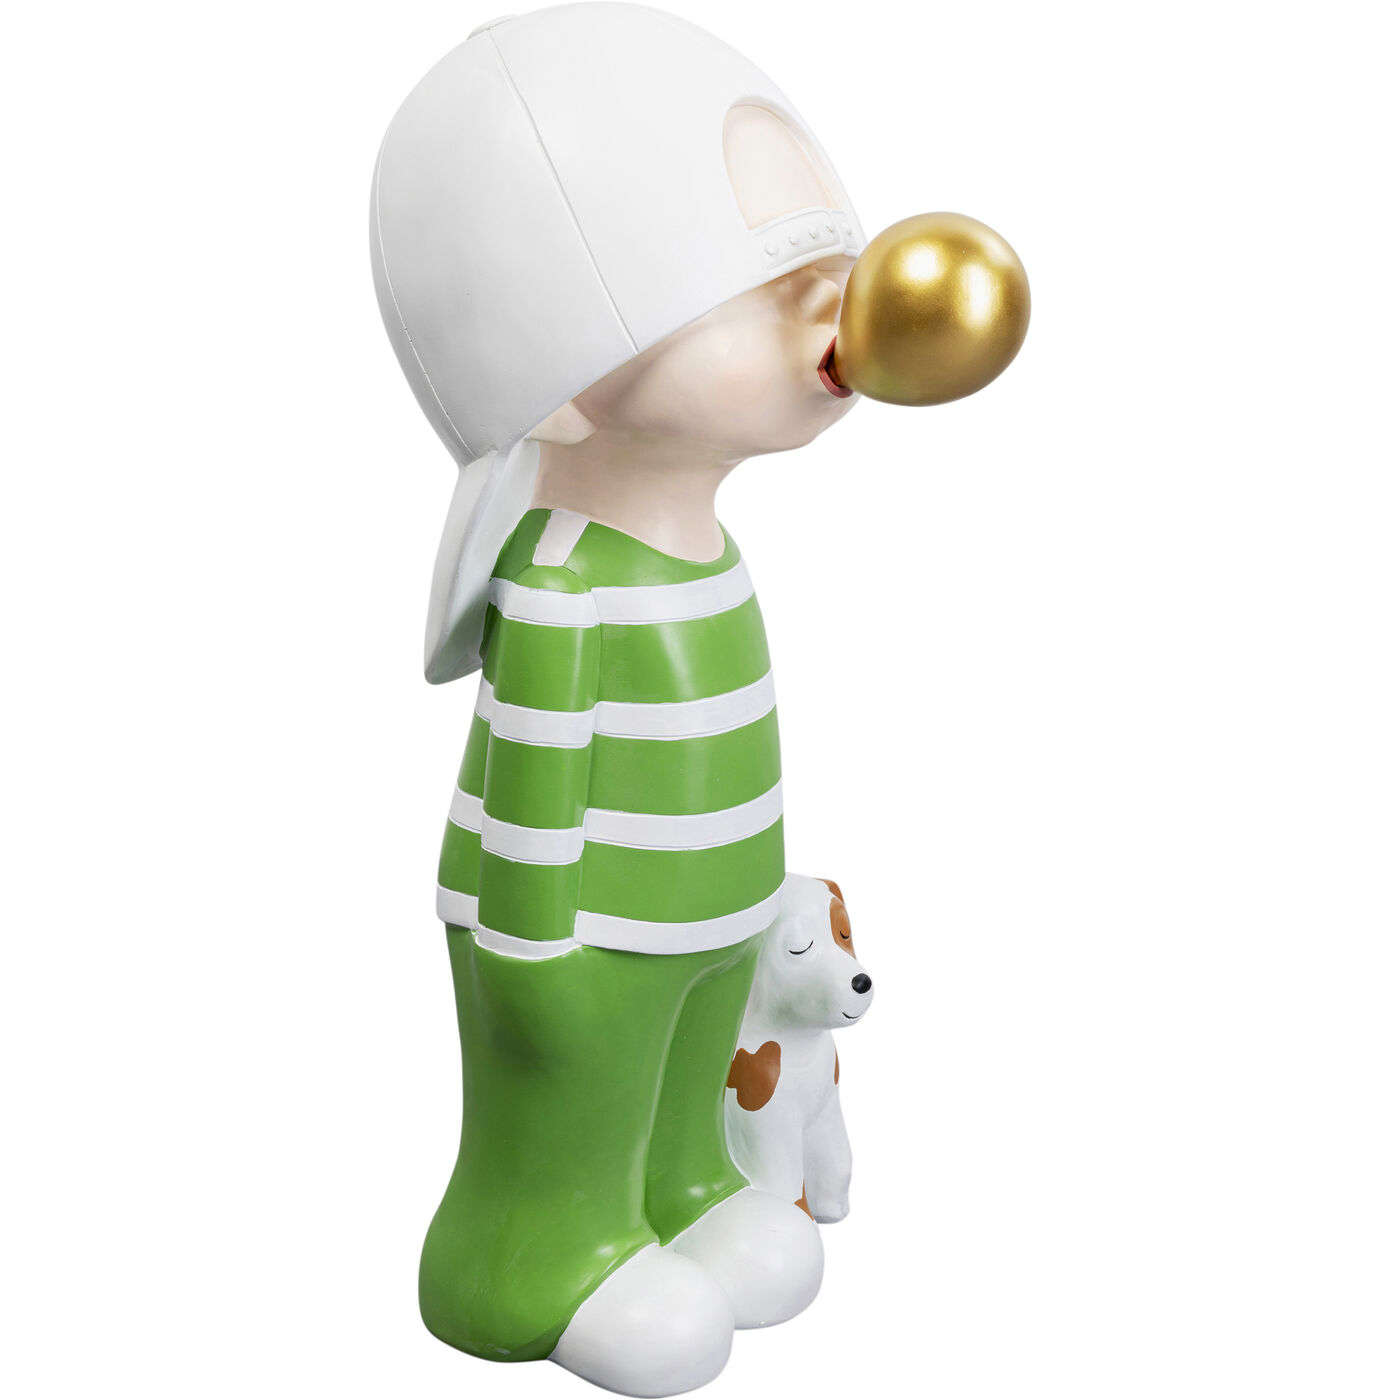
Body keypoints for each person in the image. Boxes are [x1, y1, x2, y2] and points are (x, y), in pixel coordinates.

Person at [371, 7, 864, 1393]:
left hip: (710, 925)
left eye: (828, 271)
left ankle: (684, 1191)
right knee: (573, 1109)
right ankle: (539, 1252)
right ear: (562, 387)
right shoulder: (566, 588)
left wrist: (753, 907)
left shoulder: (711, 555)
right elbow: (532, 786)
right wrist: (534, 960)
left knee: (682, 1095)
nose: (837, 315)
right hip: (578, 941)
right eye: (762, 294)